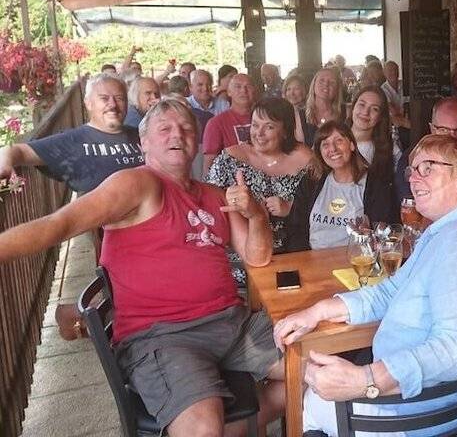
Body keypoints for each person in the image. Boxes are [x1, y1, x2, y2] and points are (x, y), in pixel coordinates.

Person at [0, 99, 284, 435]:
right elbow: (60, 224)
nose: (177, 134)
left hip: (233, 324)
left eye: (186, 128)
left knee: (317, 366)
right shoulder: (137, 184)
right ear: (143, 143)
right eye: (165, 129)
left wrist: (255, 214)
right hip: (163, 337)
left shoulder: (215, 194)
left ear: (196, 140)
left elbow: (257, 258)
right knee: (203, 428)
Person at [274, 134, 457, 436]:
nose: (413, 178)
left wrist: (367, 380)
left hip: (428, 417)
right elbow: (391, 291)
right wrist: (318, 311)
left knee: (311, 401)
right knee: (312, 379)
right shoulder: (450, 231)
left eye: (428, 168)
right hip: (427, 404)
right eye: (412, 170)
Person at [0, 73, 143, 194]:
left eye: (119, 98)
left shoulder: (142, 135)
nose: (112, 105)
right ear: (88, 103)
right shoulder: (72, 141)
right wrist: (4, 165)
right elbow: (18, 150)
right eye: (104, 98)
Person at [207, 97, 313, 252]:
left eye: (269, 127)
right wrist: (235, 206)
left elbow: (321, 208)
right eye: (255, 125)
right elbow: (208, 208)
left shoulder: (305, 159)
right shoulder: (229, 159)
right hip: (241, 251)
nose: (259, 133)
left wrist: (291, 208)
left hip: (293, 250)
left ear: (285, 131)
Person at [284, 121, 398, 251]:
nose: (332, 149)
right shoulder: (311, 181)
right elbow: (296, 229)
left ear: (352, 145)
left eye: (339, 141)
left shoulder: (375, 184)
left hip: (356, 259)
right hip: (312, 258)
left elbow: (383, 230)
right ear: (320, 152)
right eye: (325, 144)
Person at [202, 73, 257, 174]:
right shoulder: (216, 123)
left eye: (248, 86)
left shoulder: (265, 119)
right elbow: (209, 165)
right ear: (229, 92)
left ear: (255, 91)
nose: (243, 90)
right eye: (238, 86)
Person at [346, 86, 401, 176]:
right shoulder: (332, 140)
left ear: (380, 117)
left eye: (374, 109)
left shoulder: (391, 150)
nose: (365, 112)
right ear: (353, 108)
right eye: (362, 105)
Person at [302, 67, 344, 147]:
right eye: (321, 81)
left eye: (332, 82)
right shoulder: (299, 115)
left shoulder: (345, 112)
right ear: (313, 85)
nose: (326, 84)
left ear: (337, 89)